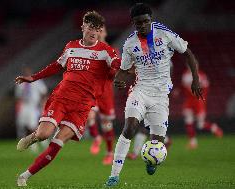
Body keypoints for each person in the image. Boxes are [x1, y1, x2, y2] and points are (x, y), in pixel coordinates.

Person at [15, 11, 120, 187]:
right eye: (90, 27)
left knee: (57, 143)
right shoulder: (71, 46)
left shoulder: (105, 51)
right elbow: (56, 66)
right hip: (61, 98)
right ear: (83, 27)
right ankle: (34, 136)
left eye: (97, 29)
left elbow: (117, 64)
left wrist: (121, 69)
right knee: (44, 134)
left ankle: (24, 176)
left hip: (82, 107)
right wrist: (33, 77)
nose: (93, 32)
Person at [105, 3, 203, 186]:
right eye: (138, 23)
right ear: (133, 23)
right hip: (140, 90)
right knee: (130, 128)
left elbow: (188, 53)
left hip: (160, 96)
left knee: (157, 141)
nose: (142, 25)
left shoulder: (164, 34)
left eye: (145, 21)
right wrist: (118, 79)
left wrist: (195, 80)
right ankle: (114, 176)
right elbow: (125, 70)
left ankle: (152, 159)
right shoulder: (130, 44)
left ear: (151, 19)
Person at [87, 26, 117, 165]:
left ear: (105, 33)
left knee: (107, 125)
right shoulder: (89, 51)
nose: (97, 33)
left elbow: (115, 72)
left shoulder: (113, 51)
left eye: (100, 30)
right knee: (89, 115)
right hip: (92, 91)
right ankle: (96, 137)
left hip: (106, 93)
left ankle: (110, 152)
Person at [181, 66, 223, 149]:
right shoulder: (185, 75)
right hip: (189, 101)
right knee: (188, 120)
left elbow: (206, 87)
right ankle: (193, 142)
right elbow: (184, 88)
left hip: (199, 101)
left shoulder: (201, 75)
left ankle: (213, 127)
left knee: (200, 125)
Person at [15, 66, 48, 152]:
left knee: (32, 125)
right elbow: (19, 97)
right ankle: (39, 141)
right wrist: (18, 107)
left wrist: (43, 104)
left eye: (28, 71)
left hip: (33, 106)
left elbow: (44, 92)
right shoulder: (21, 83)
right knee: (24, 124)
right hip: (24, 106)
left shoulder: (37, 82)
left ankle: (36, 143)